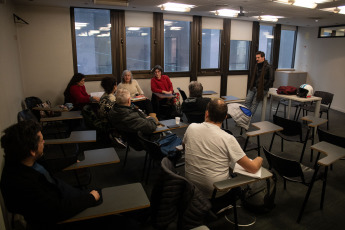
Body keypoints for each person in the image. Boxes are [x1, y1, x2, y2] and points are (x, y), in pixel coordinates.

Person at [0, 120, 101, 228]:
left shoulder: (23, 159)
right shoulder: (22, 184)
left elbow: (48, 166)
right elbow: (57, 211)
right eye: (42, 141)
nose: (44, 142)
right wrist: (90, 198)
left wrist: (72, 160)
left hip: (62, 193)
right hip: (62, 207)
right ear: (32, 151)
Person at [183, 99, 263, 203]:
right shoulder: (228, 138)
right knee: (237, 185)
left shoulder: (191, 127)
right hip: (216, 193)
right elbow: (253, 168)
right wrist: (259, 158)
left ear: (206, 113)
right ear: (225, 117)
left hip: (191, 188)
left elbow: (184, 146)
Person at [245, 51, 274, 115]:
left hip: (262, 88)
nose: (257, 59)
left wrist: (264, 88)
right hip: (253, 86)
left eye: (258, 57)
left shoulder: (269, 67)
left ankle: (247, 118)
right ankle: (246, 115)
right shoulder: (256, 66)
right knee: (247, 101)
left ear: (263, 58)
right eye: (256, 58)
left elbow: (271, 79)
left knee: (254, 104)